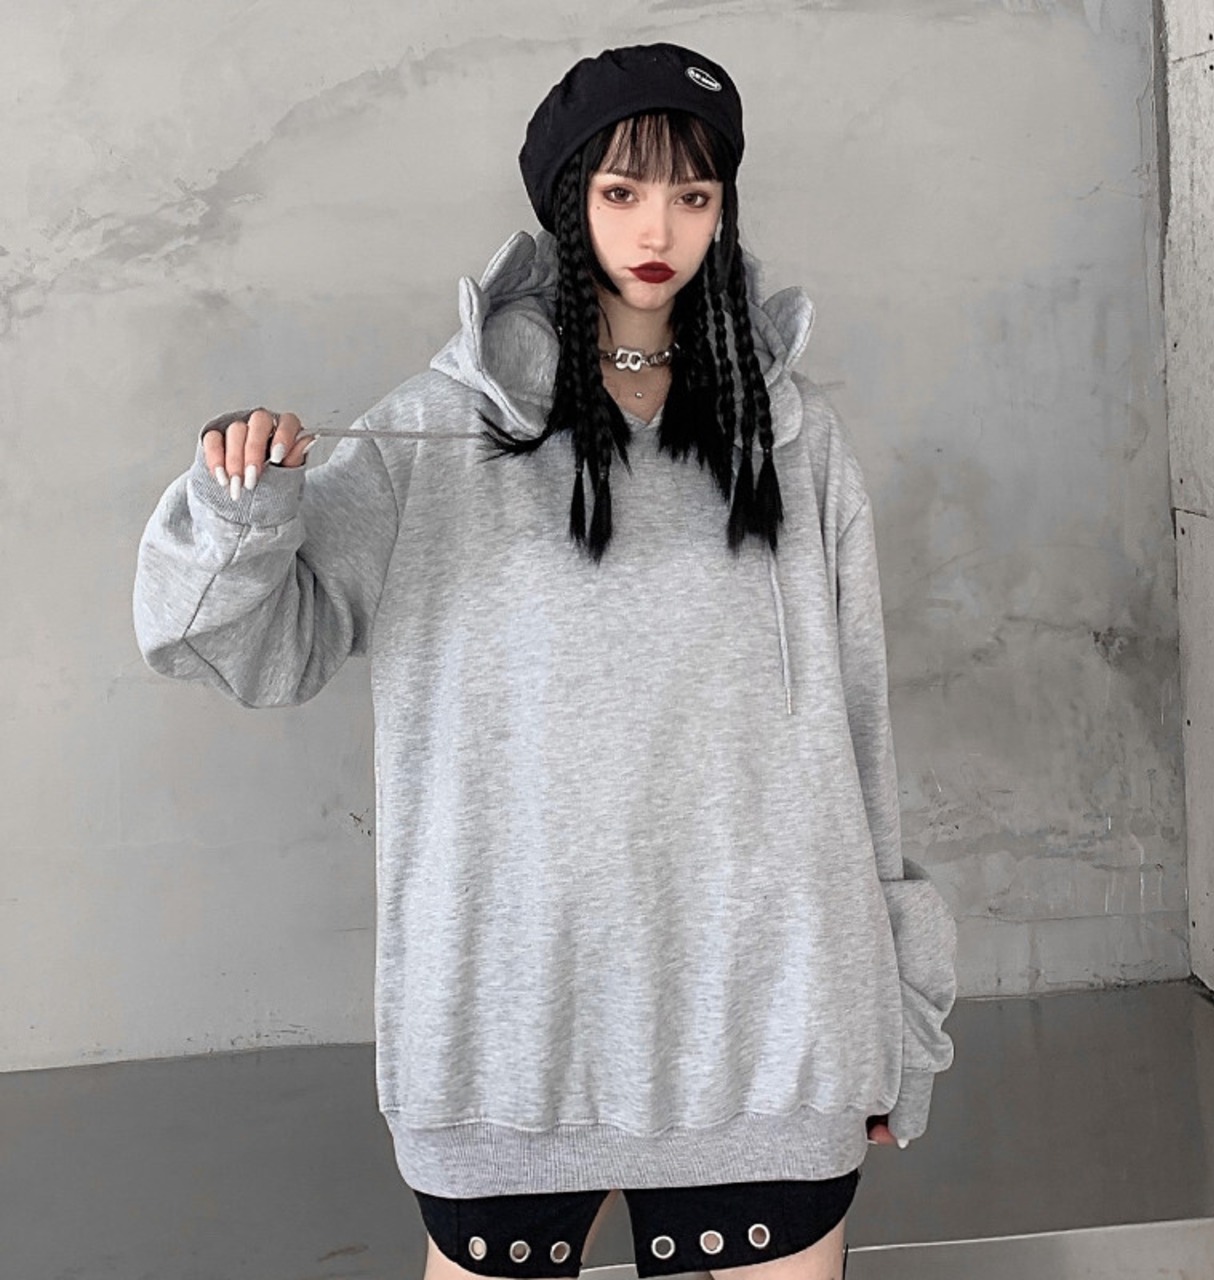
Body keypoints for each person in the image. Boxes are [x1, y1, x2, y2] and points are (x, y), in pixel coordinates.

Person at [133, 41, 958, 1280]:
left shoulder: (792, 437)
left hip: (771, 1019)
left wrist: (894, 1008)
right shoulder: (436, 427)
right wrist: (240, 510)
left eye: (691, 194)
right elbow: (243, 644)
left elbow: (855, 729)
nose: (657, 229)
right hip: (509, 1033)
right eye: (621, 191)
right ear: (568, 201)